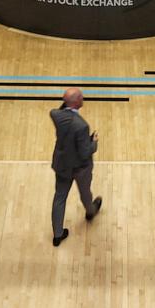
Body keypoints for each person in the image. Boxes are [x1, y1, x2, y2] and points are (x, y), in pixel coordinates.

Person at [49, 87, 102, 247]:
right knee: (85, 193)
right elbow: (85, 152)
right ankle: (90, 212)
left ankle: (57, 235)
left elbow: (58, 110)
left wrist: (66, 103)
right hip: (80, 168)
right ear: (77, 102)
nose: (83, 98)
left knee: (59, 198)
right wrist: (94, 142)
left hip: (62, 164)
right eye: (80, 97)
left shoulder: (56, 115)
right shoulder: (81, 126)